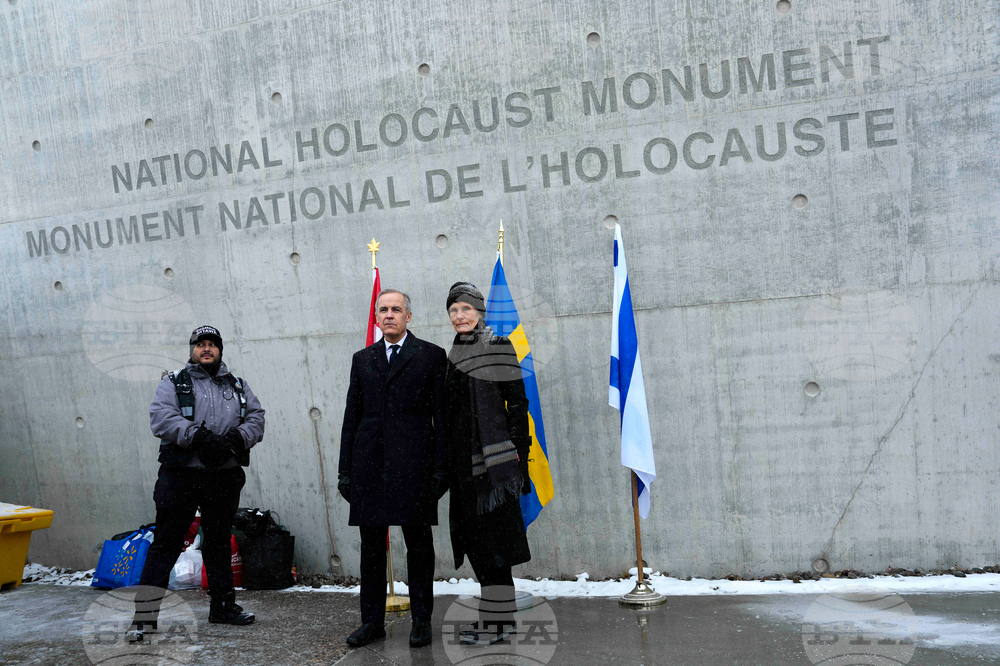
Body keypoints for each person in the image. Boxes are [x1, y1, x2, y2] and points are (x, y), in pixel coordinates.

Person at [129, 325, 266, 641]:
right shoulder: (173, 383)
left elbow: (256, 419)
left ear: (220, 350)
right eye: (201, 344)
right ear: (192, 349)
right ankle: (144, 619)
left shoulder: (238, 385)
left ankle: (223, 608)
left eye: (212, 345)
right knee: (166, 543)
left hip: (224, 475)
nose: (207, 349)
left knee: (218, 542)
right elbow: (162, 417)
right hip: (181, 476)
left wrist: (234, 440)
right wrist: (199, 437)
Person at [338, 289, 448, 648]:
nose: (389, 315)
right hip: (369, 468)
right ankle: (371, 622)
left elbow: (442, 419)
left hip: (414, 469)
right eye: (383, 309)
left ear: (408, 316)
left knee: (418, 547)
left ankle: (421, 621)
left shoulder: (431, 356)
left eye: (396, 310)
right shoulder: (362, 358)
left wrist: (440, 470)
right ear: (376, 317)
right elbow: (351, 416)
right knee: (371, 549)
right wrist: (345, 471)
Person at [442, 282, 532, 645]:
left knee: (496, 549)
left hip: (494, 469)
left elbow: (518, 404)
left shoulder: (498, 346)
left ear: (479, 312)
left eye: (465, 309)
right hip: (463, 468)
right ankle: (495, 620)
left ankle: (499, 622)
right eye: (453, 311)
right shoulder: (451, 356)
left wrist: (516, 458)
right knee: (477, 547)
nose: (459, 316)